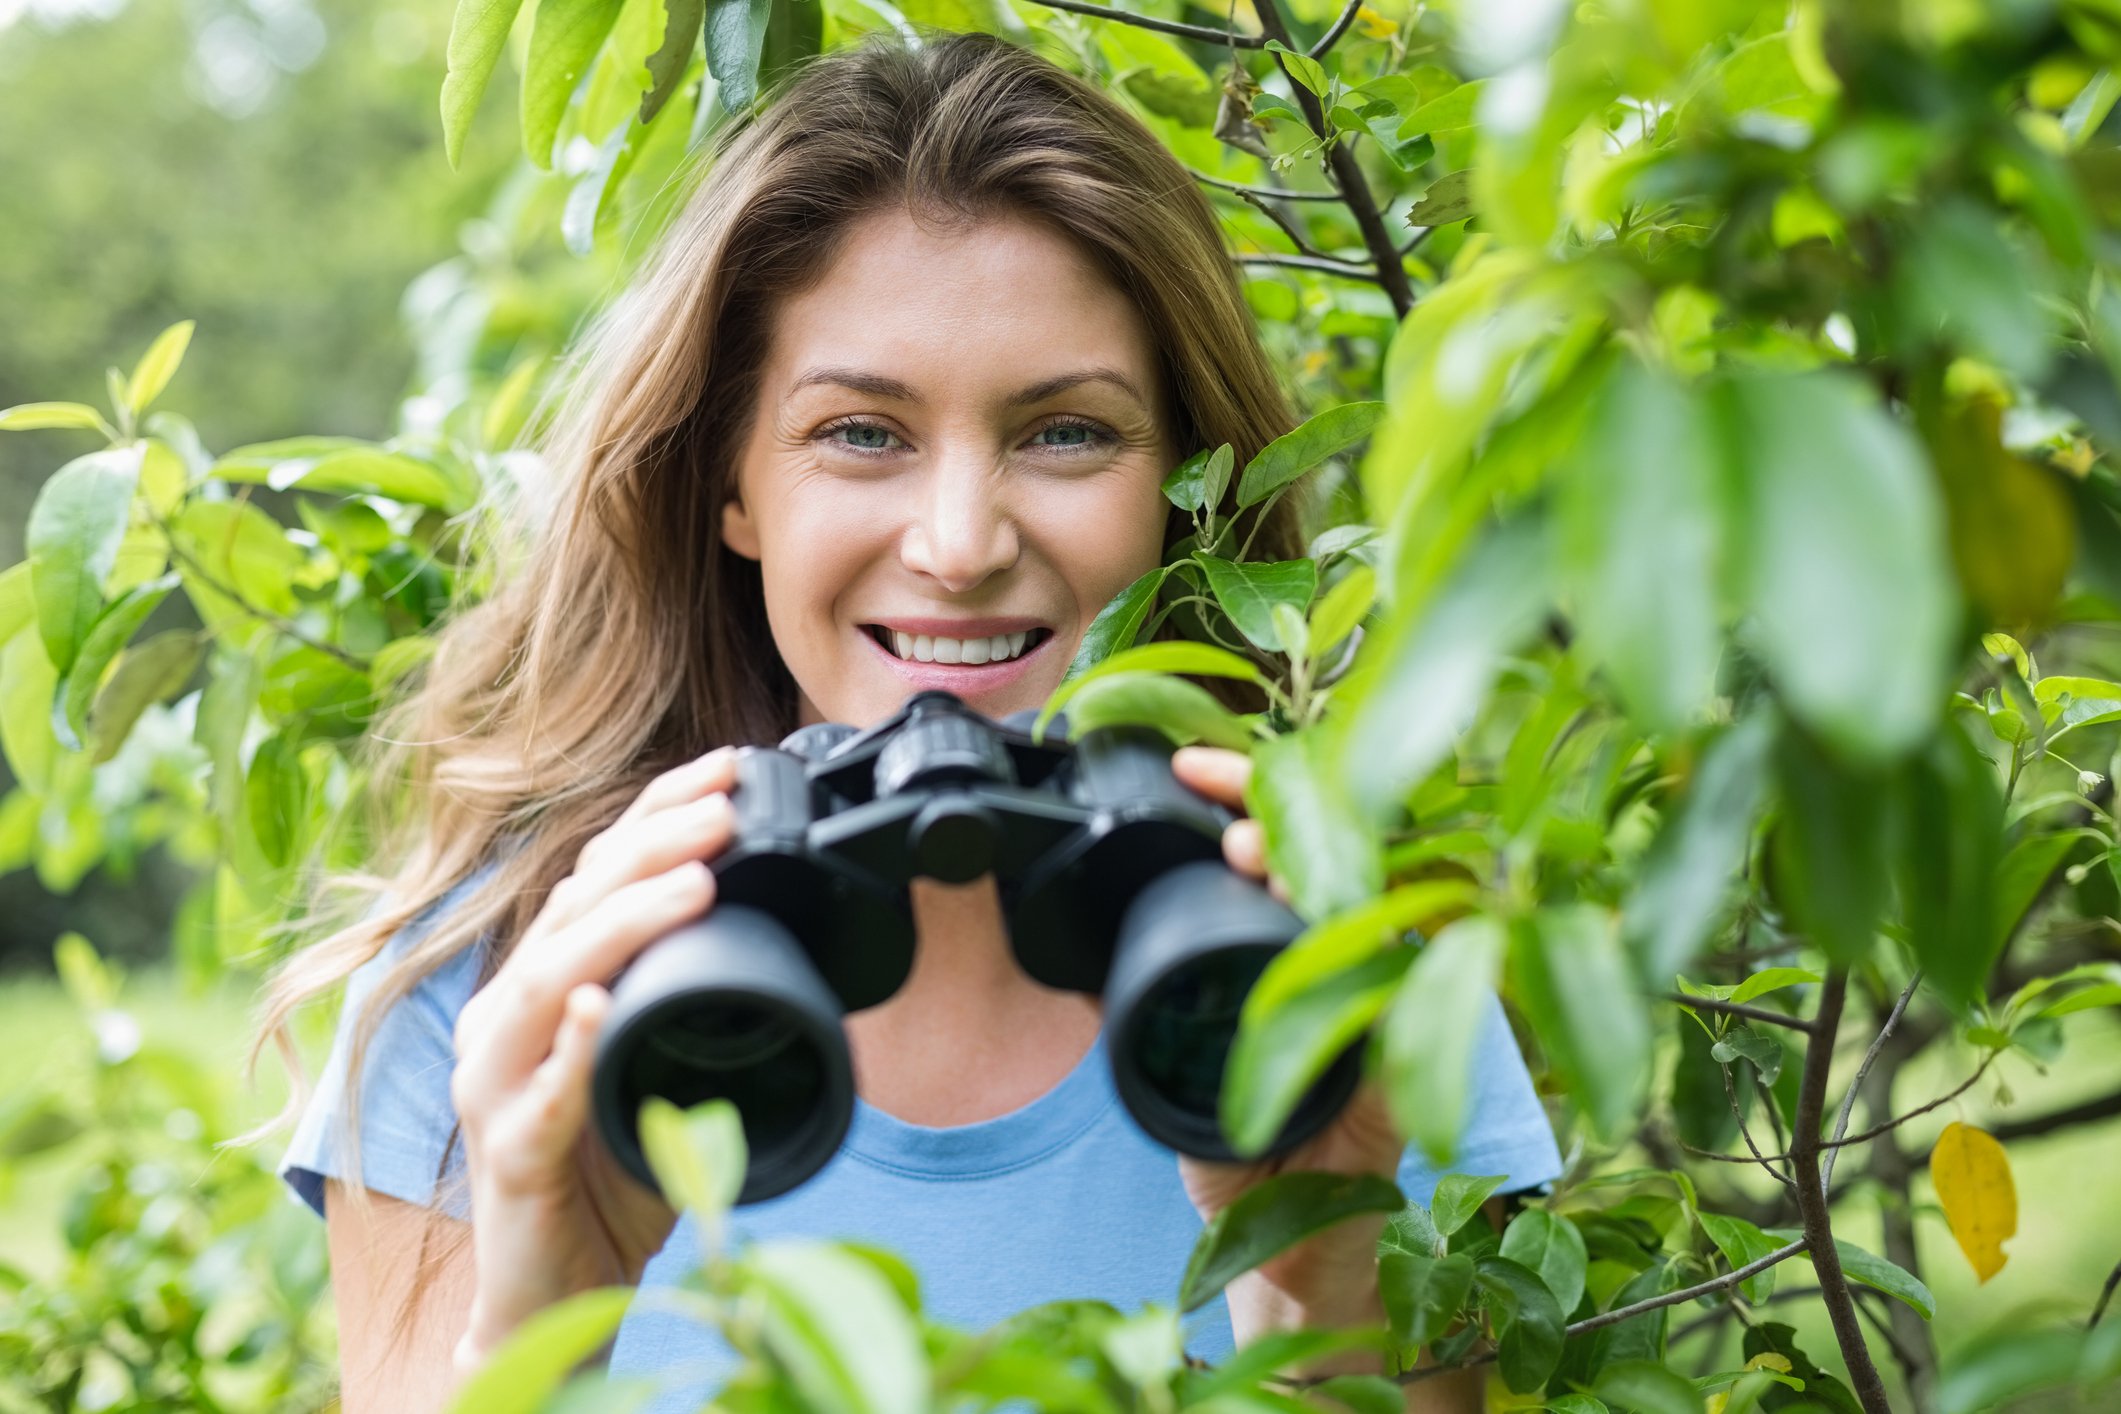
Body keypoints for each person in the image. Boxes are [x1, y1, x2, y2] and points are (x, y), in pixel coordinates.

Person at [249, 30, 1564, 1414]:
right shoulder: (501, 991)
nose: (956, 542)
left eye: (1064, 432)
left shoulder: (1323, 971)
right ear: (730, 483)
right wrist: (540, 1335)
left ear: (1188, 486)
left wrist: (1314, 1294)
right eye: (861, 433)